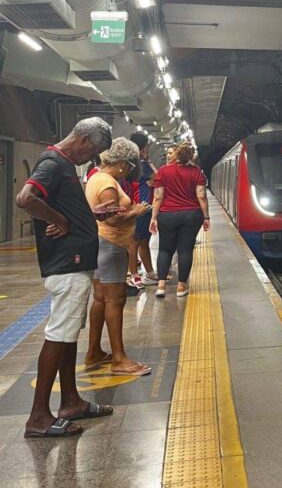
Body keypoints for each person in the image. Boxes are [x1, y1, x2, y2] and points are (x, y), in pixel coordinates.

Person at [15, 117, 115, 438]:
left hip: (74, 265)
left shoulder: (65, 166)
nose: (92, 158)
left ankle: (70, 402)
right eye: (94, 151)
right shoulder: (54, 163)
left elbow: (59, 204)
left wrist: (87, 215)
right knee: (59, 335)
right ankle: (39, 417)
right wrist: (61, 220)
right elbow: (26, 198)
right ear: (84, 140)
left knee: (68, 334)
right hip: (66, 265)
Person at [84, 137, 152, 375]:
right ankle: (119, 359)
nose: (129, 173)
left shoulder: (96, 177)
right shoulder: (108, 184)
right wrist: (136, 211)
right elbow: (111, 218)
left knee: (101, 298)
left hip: (100, 243)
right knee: (116, 300)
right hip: (110, 245)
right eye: (130, 167)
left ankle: (93, 352)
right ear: (123, 163)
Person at [150, 142, 209, 298]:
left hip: (167, 215)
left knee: (164, 249)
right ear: (190, 156)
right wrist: (206, 217)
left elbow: (158, 196)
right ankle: (181, 287)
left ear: (176, 155)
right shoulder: (197, 172)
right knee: (185, 250)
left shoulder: (163, 171)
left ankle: (161, 286)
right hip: (191, 215)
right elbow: (201, 196)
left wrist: (153, 218)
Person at [127, 132, 159, 289]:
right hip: (138, 208)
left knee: (144, 241)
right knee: (134, 242)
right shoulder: (141, 163)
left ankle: (150, 272)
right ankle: (134, 275)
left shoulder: (133, 163)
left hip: (145, 208)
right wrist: (148, 160)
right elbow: (160, 176)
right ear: (144, 146)